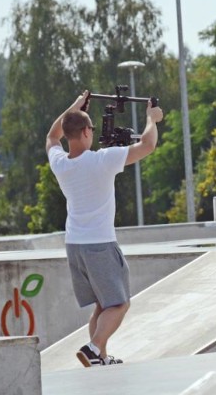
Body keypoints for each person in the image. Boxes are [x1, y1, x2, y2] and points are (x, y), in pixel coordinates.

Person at [45, 90, 163, 367]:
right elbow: (147, 145)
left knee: (102, 303)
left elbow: (52, 137)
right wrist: (152, 118)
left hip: (74, 245)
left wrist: (75, 105)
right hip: (100, 244)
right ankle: (93, 347)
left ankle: (101, 357)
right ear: (86, 131)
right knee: (120, 303)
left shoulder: (60, 164)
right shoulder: (102, 160)